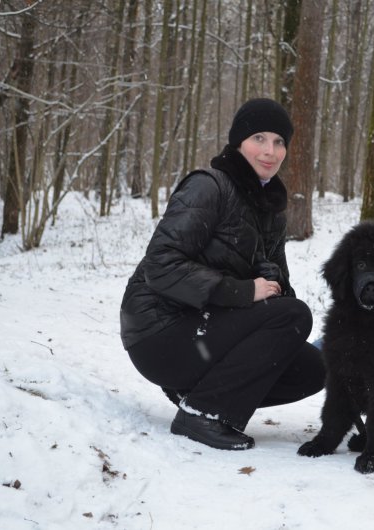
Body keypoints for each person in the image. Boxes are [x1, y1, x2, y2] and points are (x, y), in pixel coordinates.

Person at [120, 98, 325, 450]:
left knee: (313, 368)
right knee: (295, 316)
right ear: (238, 141)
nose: (270, 151)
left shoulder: (270, 209)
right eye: (259, 138)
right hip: (158, 331)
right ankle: (204, 413)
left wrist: (272, 283)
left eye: (279, 142)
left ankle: (199, 394)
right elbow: (161, 265)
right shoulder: (209, 186)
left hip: (204, 332)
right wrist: (243, 291)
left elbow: (279, 294)